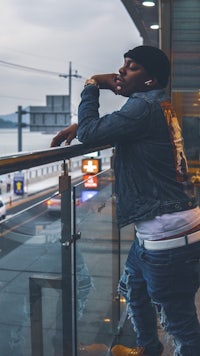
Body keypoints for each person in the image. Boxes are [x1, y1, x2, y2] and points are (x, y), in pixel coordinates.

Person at [51, 45, 200, 356]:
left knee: (180, 323)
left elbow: (94, 132)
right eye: (123, 64)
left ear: (150, 81)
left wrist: (92, 84)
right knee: (134, 288)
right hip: (162, 229)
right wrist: (81, 126)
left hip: (167, 236)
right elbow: (116, 127)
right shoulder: (154, 105)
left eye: (132, 67)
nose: (120, 71)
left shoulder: (142, 108)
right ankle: (148, 348)